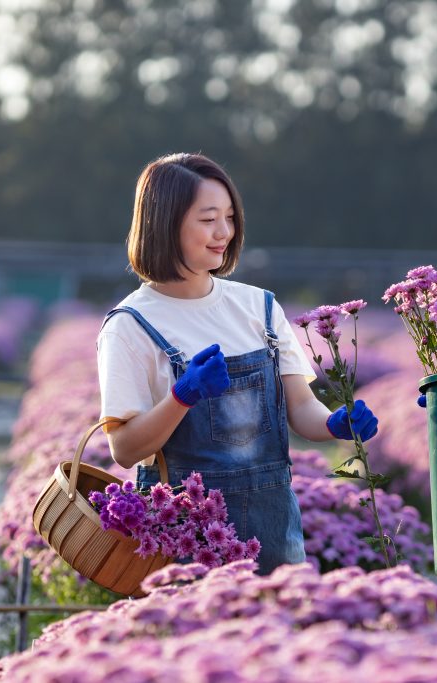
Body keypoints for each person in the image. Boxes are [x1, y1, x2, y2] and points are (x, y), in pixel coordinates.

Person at [96, 152, 379, 575]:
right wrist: (182, 395)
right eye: (208, 219)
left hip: (274, 527)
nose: (224, 232)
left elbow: (301, 408)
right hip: (185, 539)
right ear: (163, 222)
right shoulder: (131, 325)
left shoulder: (258, 307)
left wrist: (335, 424)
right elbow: (126, 449)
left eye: (229, 217)